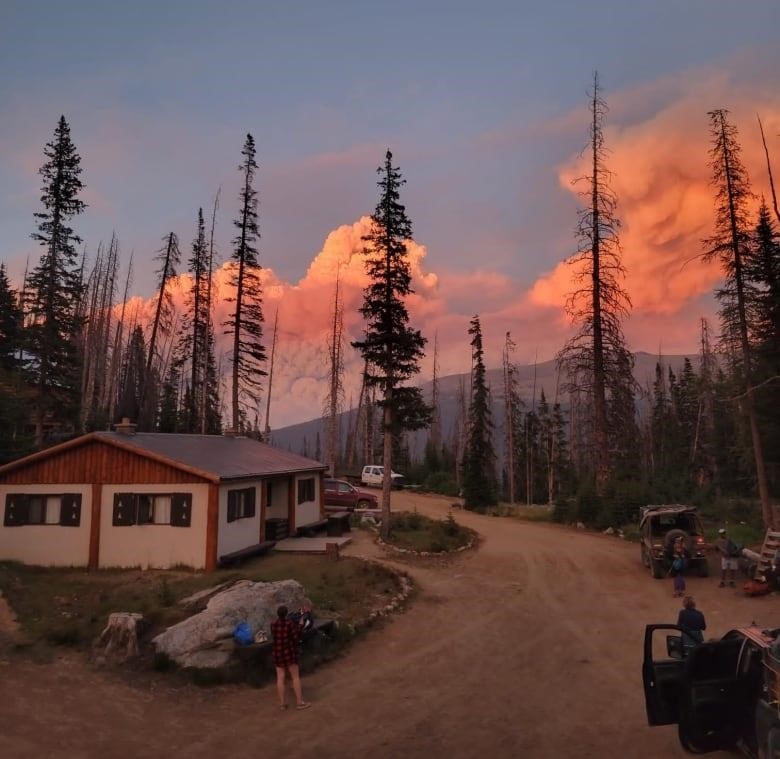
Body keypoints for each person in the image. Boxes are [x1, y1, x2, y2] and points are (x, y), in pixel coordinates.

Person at [271, 605, 311, 711]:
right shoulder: (290, 624)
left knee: (280, 678)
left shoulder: (273, 624)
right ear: (286, 613)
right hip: (289, 652)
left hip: (277, 653)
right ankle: (299, 702)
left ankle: (282, 704)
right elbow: (296, 636)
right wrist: (301, 625)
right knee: (295, 677)